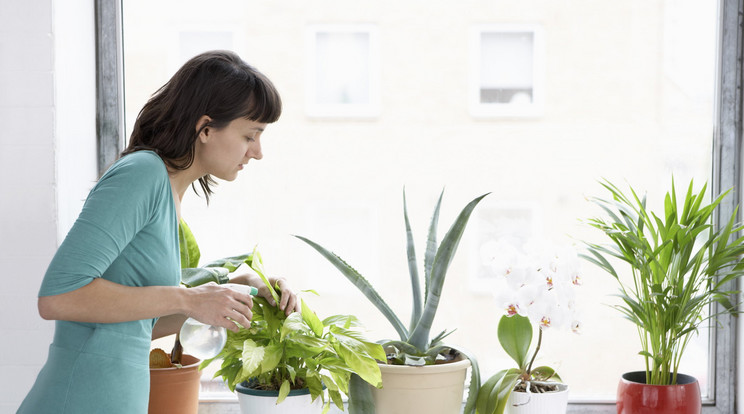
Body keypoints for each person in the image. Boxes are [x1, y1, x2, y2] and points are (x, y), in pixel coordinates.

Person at [17, 50, 300, 413]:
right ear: (206, 128)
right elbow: (58, 297)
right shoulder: (143, 174)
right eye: (250, 135)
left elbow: (134, 327)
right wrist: (188, 299)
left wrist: (243, 291)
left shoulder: (169, 195)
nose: (258, 152)